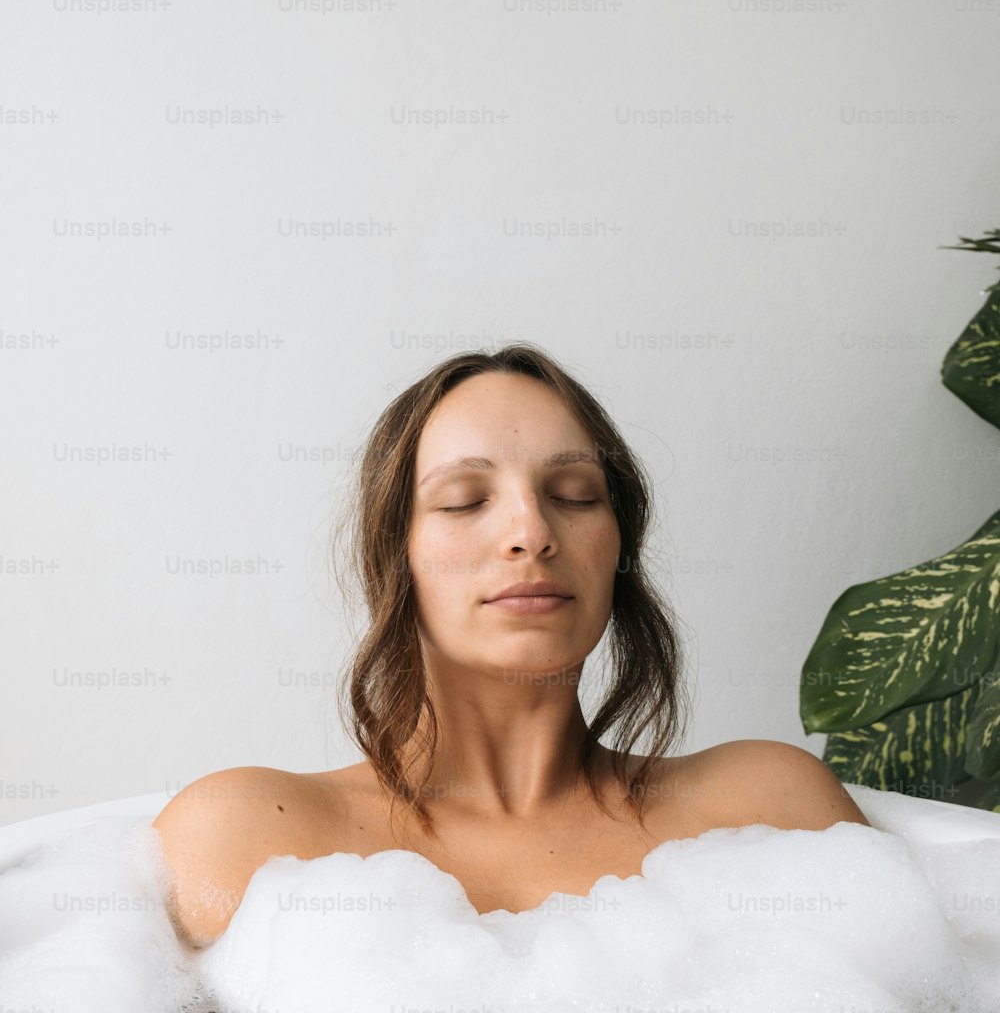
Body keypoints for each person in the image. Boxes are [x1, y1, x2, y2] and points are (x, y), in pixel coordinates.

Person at [153, 342, 869, 948]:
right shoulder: (249, 840)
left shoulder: (771, 811)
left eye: (576, 493)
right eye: (466, 500)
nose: (532, 531)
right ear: (394, 556)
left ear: (619, 546)